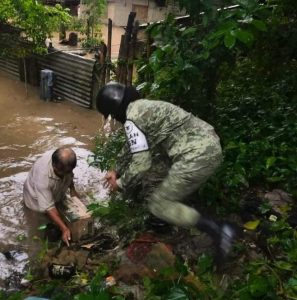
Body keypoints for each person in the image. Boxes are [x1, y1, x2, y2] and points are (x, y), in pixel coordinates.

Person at [95, 82, 236, 259]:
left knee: (158, 204)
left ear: (115, 111)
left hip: (196, 155)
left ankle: (218, 229)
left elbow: (141, 164)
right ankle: (167, 216)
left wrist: (121, 183)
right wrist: (115, 169)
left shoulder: (132, 120)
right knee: (157, 168)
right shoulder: (143, 108)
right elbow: (132, 146)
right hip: (208, 143)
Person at [23, 147, 80, 246]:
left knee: (61, 212)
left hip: (56, 192)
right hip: (35, 201)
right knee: (40, 229)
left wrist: (72, 189)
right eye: (63, 173)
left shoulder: (64, 164)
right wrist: (64, 229)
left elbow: (70, 174)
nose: (66, 174)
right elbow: (49, 207)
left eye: (69, 171)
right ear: (54, 166)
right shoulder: (42, 177)